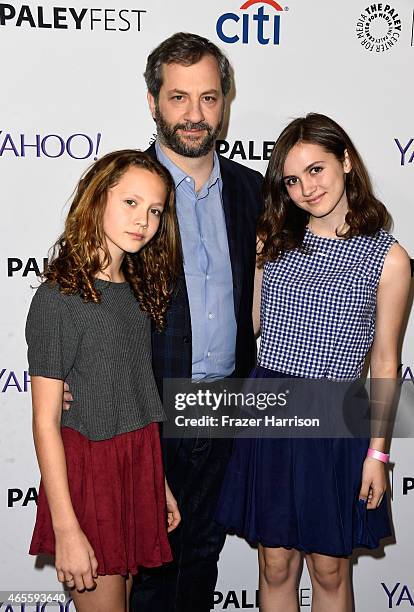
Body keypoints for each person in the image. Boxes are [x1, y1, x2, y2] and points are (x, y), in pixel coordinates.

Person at [216, 113, 411, 611]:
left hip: (334, 417)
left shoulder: (388, 258)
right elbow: (250, 327)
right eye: (293, 179)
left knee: (328, 568)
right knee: (276, 563)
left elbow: (386, 364)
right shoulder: (273, 240)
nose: (307, 188)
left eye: (317, 169)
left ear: (345, 161)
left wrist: (379, 454)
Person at [132, 32, 263, 611]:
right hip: (148, 405)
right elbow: (89, 293)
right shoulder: (125, 188)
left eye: (208, 98)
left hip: (227, 407)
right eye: (179, 97)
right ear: (155, 101)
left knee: (203, 551)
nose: (194, 114)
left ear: (225, 103)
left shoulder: (251, 190)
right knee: (149, 560)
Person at [26, 150, 182, 612]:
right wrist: (67, 529)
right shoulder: (59, 298)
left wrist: (159, 484)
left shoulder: (134, 286)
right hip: (89, 474)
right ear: (97, 200)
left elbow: (133, 391)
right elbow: (44, 424)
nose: (144, 221)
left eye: (155, 210)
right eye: (131, 203)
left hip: (137, 461)